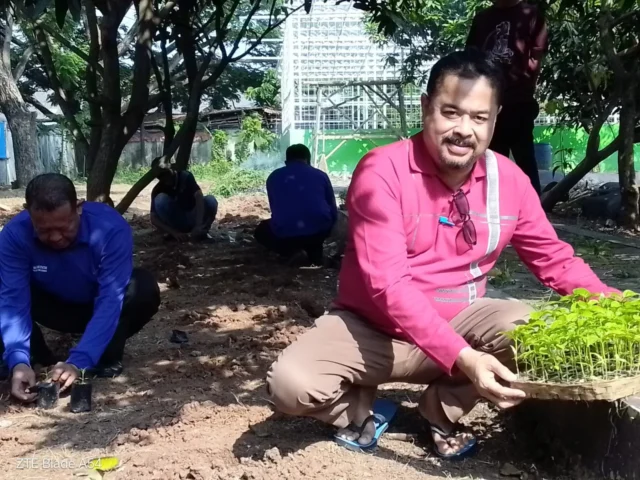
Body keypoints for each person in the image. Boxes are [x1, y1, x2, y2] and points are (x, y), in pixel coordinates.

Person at [265, 50, 617, 459]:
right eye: (451, 112)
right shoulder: (382, 171)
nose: (463, 129)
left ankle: (439, 411)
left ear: (495, 119)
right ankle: (361, 410)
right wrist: (465, 358)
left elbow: (554, 261)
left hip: (460, 324)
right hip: (370, 331)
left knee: (531, 329)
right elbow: (388, 285)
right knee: (290, 384)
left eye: (479, 117)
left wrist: (618, 311)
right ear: (426, 107)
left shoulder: (510, 181)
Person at [0, 173, 161, 403]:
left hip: (98, 309)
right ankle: (32, 359)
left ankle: (104, 357)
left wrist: (79, 361)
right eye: (43, 230)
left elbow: (110, 300)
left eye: (64, 227)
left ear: (79, 208)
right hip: (52, 308)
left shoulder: (111, 229)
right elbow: (13, 302)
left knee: (142, 287)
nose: (55, 237)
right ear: (28, 212)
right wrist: (18, 359)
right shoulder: (14, 235)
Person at [466, 0, 548, 195]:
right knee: (490, 161)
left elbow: (536, 58)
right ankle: (491, 213)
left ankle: (533, 213)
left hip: (519, 102)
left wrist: (525, 88)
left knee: (525, 160)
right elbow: (470, 59)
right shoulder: (482, 19)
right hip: (487, 104)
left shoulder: (532, 16)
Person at [254, 144, 338, 266]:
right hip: (319, 232)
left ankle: (292, 252)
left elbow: (275, 209)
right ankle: (315, 254)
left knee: (260, 232)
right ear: (308, 160)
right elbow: (332, 208)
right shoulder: (321, 175)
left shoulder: (274, 176)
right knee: (316, 232)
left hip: (287, 234)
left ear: (286, 161)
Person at [150, 167, 219, 241]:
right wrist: (174, 232)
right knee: (160, 199)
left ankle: (202, 232)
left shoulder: (185, 176)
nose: (165, 178)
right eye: (161, 176)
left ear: (172, 170)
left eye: (166, 174)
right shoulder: (157, 189)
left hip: (193, 215)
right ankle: (176, 235)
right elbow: (153, 218)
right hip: (177, 221)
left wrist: (198, 225)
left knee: (211, 200)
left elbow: (198, 195)